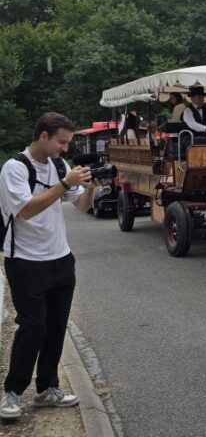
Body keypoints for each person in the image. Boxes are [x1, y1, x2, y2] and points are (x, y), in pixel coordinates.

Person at [0, 113, 95, 420]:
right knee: (33, 327)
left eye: (67, 143)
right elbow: (26, 210)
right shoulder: (15, 168)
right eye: (61, 141)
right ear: (43, 136)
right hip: (25, 261)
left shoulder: (58, 165)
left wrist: (92, 186)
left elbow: (81, 205)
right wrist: (65, 184)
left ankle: (47, 389)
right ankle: (12, 392)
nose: (65, 149)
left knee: (56, 326)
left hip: (61, 258)